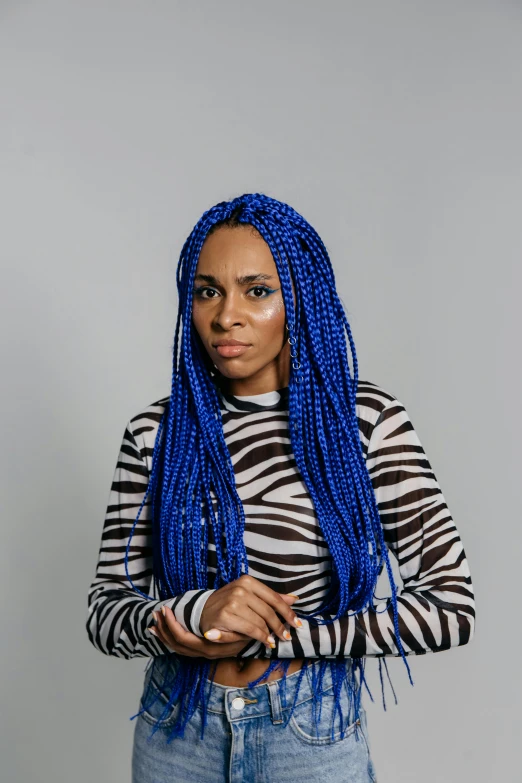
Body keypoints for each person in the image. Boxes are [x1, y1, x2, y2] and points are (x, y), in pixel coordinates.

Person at [86, 193, 475, 783]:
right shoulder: (155, 432)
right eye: (207, 291)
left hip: (308, 734)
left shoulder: (364, 423)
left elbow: (451, 610)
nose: (226, 315)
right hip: (175, 732)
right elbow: (105, 610)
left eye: (257, 290)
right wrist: (193, 614)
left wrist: (280, 635)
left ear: (300, 297)